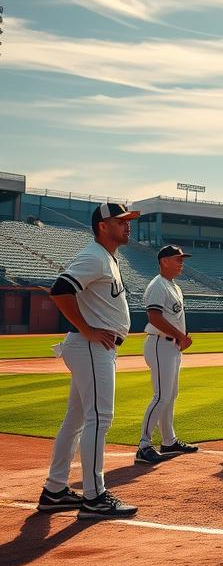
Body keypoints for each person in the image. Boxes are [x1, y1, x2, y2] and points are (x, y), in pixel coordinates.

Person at [37, 202, 140, 518]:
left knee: (78, 419)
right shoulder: (94, 256)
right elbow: (60, 290)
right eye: (120, 221)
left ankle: (54, 490)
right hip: (91, 348)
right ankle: (94, 497)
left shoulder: (108, 258)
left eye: (128, 221)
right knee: (100, 418)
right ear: (102, 226)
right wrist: (88, 329)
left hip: (92, 348)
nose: (127, 225)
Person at [135, 245, 197, 465]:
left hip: (170, 346)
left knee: (170, 396)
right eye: (177, 259)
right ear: (164, 261)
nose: (182, 263)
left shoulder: (173, 286)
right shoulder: (158, 285)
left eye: (182, 259)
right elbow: (154, 317)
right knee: (161, 395)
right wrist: (181, 336)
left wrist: (181, 337)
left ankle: (169, 441)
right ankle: (144, 445)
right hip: (160, 344)